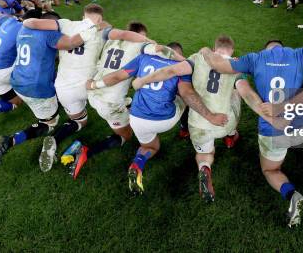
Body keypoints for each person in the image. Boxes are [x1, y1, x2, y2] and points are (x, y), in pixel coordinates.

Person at [200, 40, 303, 227]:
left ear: (266, 48)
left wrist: (206, 50)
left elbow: (217, 64)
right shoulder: (300, 54)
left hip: (273, 131)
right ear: (282, 47)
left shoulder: (254, 58)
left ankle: (292, 194)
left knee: (270, 170)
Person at [85, 42, 228, 196]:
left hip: (136, 118)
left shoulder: (143, 58)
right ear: (178, 54)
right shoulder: (182, 66)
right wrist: (210, 116)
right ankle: (184, 129)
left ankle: (137, 164)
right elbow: (187, 94)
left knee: (151, 147)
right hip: (163, 121)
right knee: (186, 99)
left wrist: (94, 84)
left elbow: (117, 76)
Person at [132, 35, 259, 202]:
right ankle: (230, 137)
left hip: (198, 124)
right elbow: (245, 91)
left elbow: (170, 71)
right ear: (232, 50)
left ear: (214, 49)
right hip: (223, 122)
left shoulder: (197, 58)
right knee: (235, 95)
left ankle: (204, 168)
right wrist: (263, 110)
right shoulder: (237, 65)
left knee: (205, 153)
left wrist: (142, 80)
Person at [66, 23, 184, 179]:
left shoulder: (111, 40)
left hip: (94, 95)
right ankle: (87, 151)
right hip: (110, 101)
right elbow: (160, 51)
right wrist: (187, 62)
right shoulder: (141, 45)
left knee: (126, 106)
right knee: (126, 135)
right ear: (140, 35)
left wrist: (93, 85)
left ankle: (121, 115)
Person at [0, 12, 99, 166]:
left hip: (17, 80)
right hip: (36, 88)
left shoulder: (23, 29)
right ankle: (10, 140)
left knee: (44, 102)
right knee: (51, 122)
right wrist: (91, 29)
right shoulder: (49, 34)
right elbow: (71, 43)